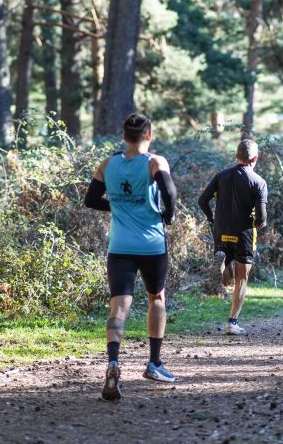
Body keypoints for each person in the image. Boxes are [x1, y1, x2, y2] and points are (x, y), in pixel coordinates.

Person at [83, 113, 178, 400]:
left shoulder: (108, 164)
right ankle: (154, 364)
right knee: (156, 298)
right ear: (149, 135)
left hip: (120, 247)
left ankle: (113, 362)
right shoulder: (154, 162)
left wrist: (119, 208)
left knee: (118, 308)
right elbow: (170, 192)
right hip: (151, 245)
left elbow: (90, 200)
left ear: (124, 137)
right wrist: (168, 216)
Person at [198, 139, 268, 336]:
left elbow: (202, 200)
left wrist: (211, 218)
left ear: (236, 156)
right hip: (244, 233)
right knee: (241, 279)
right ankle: (232, 323)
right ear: (255, 158)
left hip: (221, 230)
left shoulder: (221, 176)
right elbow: (261, 217)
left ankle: (224, 263)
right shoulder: (259, 182)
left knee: (227, 271)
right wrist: (260, 223)